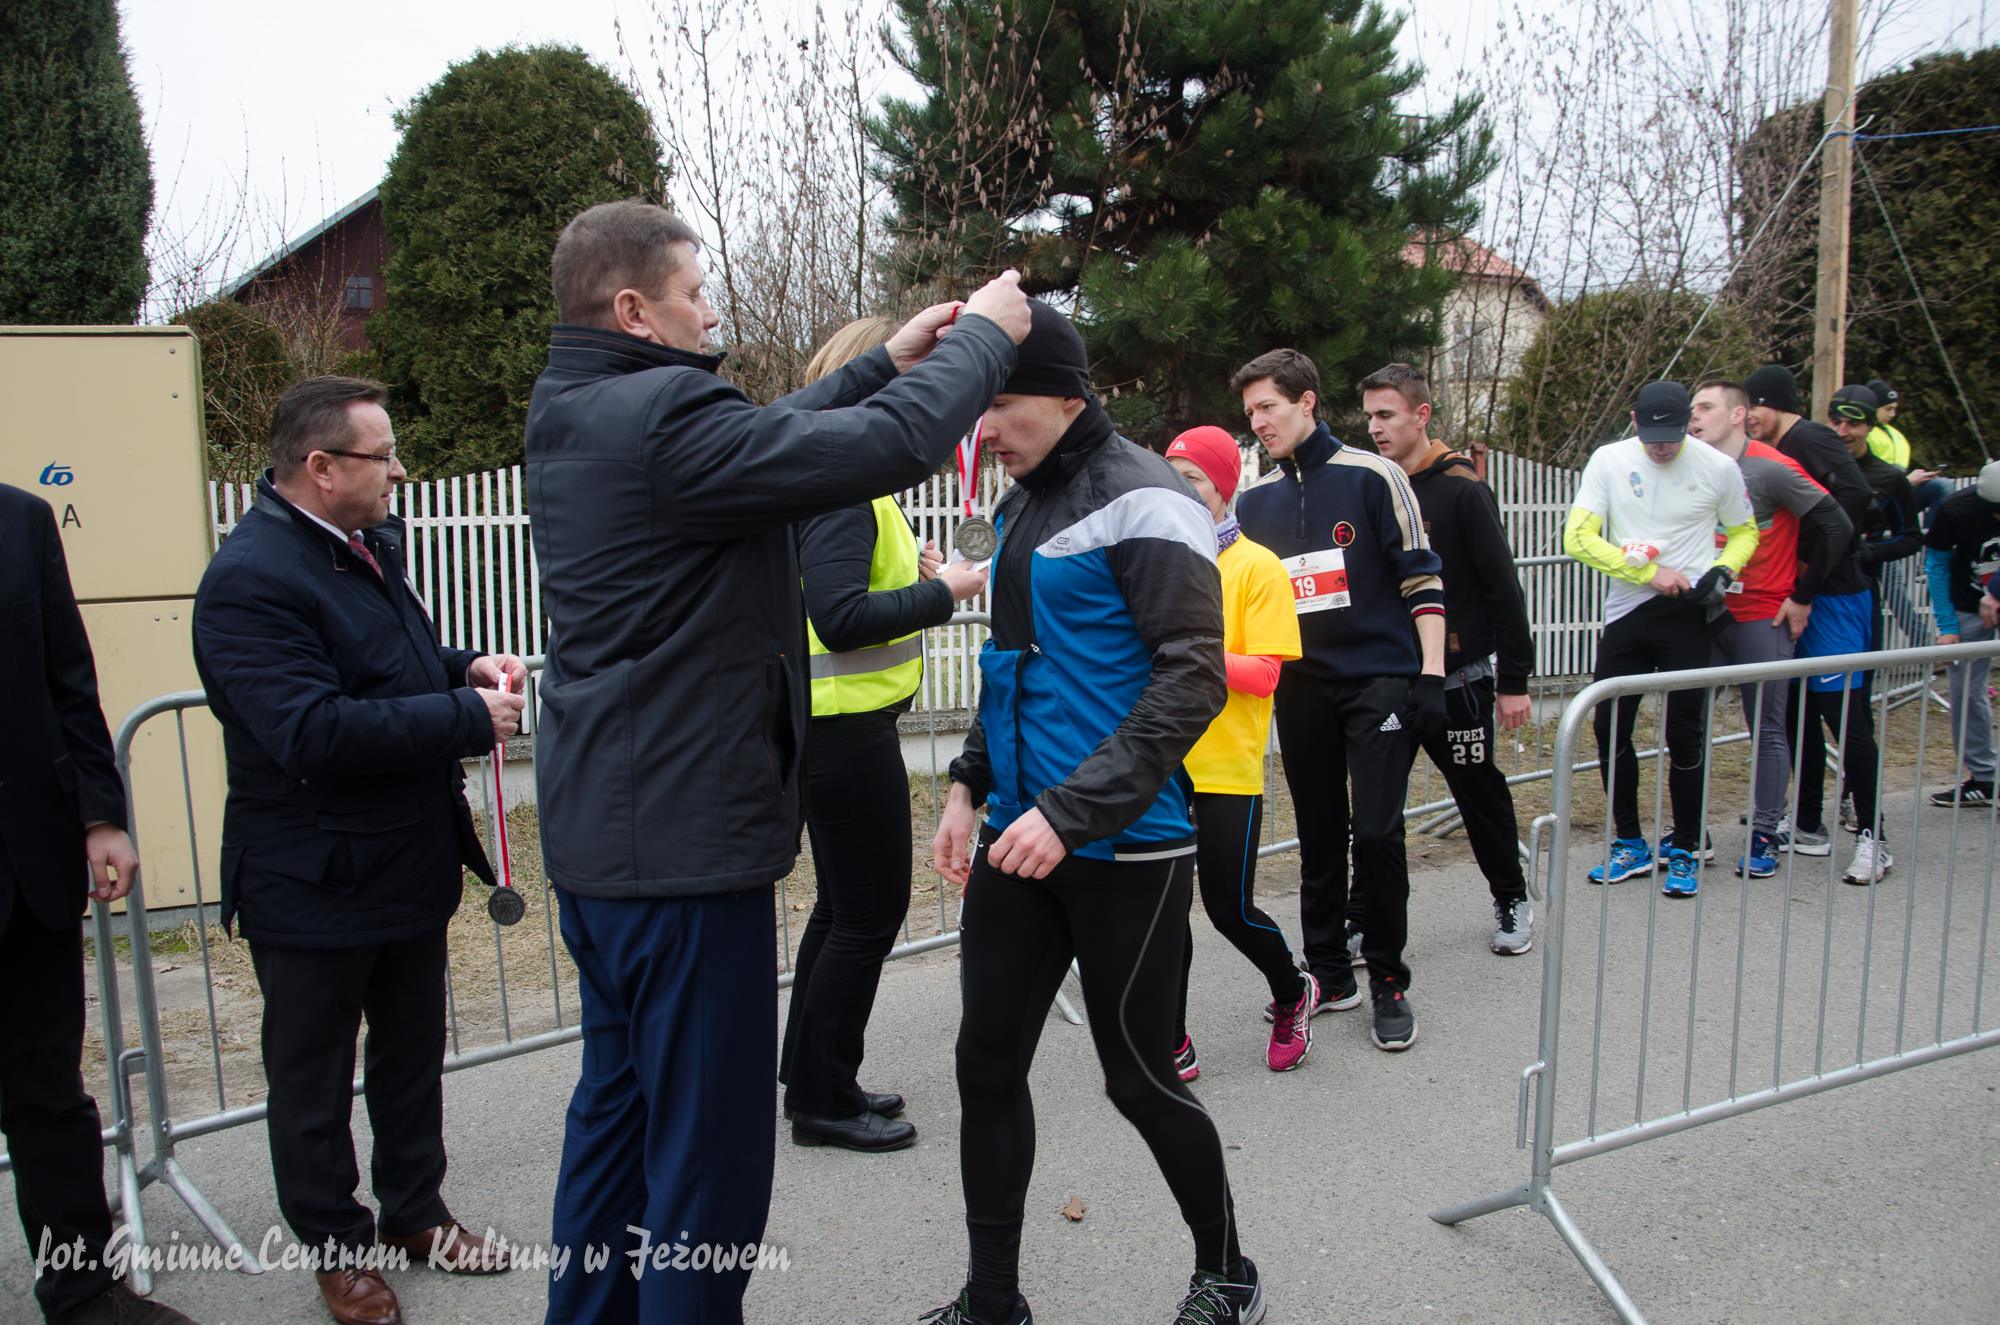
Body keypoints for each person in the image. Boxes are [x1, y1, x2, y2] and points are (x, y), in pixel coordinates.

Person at [522, 199, 1028, 1325]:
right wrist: (987, 336)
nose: (712, 310)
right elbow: (886, 447)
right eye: (695, 291)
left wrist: (882, 361)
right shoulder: (659, 416)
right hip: (682, 851)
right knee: (707, 1162)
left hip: (610, 843)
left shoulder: (580, 405)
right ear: (633, 309)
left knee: (616, 1122)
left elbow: (770, 436)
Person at [930, 301, 1260, 1325]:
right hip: (1019, 836)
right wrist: (967, 782)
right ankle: (992, 1299)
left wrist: (1071, 812)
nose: (983, 424)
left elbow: (1192, 676)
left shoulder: (1147, 496)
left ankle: (1226, 1273)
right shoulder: (1025, 502)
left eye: (1001, 401)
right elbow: (1009, 668)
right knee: (984, 1063)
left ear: (1067, 393)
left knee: (1137, 1075)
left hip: (1128, 840)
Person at [192, 377, 525, 1325]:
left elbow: (392, 661)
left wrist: (461, 664)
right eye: (383, 456)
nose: (400, 471)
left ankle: (416, 1211)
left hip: (406, 862)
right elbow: (309, 729)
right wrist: (464, 714)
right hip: (314, 877)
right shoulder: (252, 578)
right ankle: (337, 1247)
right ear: (321, 466)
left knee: (412, 1054)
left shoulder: (367, 544)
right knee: (312, 1075)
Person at [777, 317, 990, 1151]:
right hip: (842, 736)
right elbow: (841, 616)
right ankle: (823, 1102)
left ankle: (814, 1072)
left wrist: (927, 578)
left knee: (844, 909)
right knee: (869, 913)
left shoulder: (843, 480)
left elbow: (854, 594)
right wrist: (951, 592)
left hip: (844, 731)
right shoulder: (842, 487)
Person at [0, 484, 199, 1325]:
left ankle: (82, 1290)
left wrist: (102, 813)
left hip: (23, 862)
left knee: (46, 1092)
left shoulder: (21, 520)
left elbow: (67, 679)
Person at [1233, 348, 1446, 1053]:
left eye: (1268, 406)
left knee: (1378, 832)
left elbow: (1422, 580)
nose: (1258, 422)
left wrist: (1433, 675)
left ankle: (1387, 976)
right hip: (1300, 686)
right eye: (1250, 412)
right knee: (1320, 832)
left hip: (1379, 678)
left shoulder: (1374, 475)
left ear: (1308, 401)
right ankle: (1329, 970)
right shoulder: (1254, 499)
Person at [1359, 362, 1537, 955]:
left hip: (1458, 680)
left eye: (1386, 415)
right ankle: (1364, 918)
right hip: (1389, 680)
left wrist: (1514, 679)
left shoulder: (1461, 489)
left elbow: (1503, 589)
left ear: (1421, 414)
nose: (1375, 428)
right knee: (1376, 813)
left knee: (1478, 795)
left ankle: (1511, 896)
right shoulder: (1376, 485)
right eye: (1369, 417)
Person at [1563, 381, 1758, 897]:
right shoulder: (1609, 460)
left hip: (1687, 614)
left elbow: (1745, 531)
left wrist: (1723, 569)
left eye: (1672, 436)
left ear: (1689, 424)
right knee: (1610, 727)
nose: (1662, 446)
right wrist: (1648, 572)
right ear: (1634, 421)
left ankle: (1688, 847)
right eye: (1653, 437)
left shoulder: (1718, 467)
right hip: (1628, 610)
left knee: (1686, 733)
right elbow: (1577, 537)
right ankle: (1628, 842)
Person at [1160, 424, 1310, 1078]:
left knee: (1228, 908)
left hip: (1227, 762)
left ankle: (1292, 989)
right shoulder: (1159, 559)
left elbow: (1267, 674)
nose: (1179, 490)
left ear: (1222, 488)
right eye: (1171, 477)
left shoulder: (1257, 565)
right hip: (1160, 758)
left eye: (1191, 478)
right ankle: (1170, 1035)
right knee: (1161, 908)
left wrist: (1198, 655)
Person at [1688, 379, 1853, 877]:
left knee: (1767, 729)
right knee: (1687, 723)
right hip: (1705, 617)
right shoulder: (1686, 466)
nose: (1693, 416)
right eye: (1692, 407)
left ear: (1738, 415)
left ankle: (1765, 832)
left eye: (1705, 407)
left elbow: (1837, 524)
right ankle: (1692, 832)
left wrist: (1802, 595)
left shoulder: (1771, 467)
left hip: (1763, 614)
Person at [1922, 459, 2000, 810]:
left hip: (1991, 595)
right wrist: (1948, 626)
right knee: (1966, 691)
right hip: (1968, 604)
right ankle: (1984, 778)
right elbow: (1935, 565)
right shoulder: (1955, 510)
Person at [1865, 378, 1947, 523]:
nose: (1893, 414)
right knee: (1941, 486)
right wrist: (1907, 482)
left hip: (1897, 495)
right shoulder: (1861, 434)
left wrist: (1914, 478)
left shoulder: (1896, 434)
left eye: (1895, 409)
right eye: (1888, 409)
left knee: (1942, 485)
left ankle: (1933, 539)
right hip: (1875, 501)